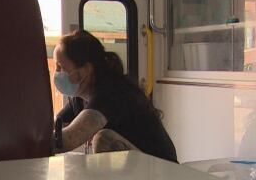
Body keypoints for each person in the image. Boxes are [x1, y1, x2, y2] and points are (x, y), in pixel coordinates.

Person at [52, 30, 178, 162]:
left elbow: (69, 139)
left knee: (104, 140)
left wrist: (32, 147)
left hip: (161, 171)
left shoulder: (112, 93)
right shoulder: (79, 99)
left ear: (85, 70)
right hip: (143, 170)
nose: (57, 73)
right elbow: (57, 129)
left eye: (60, 66)